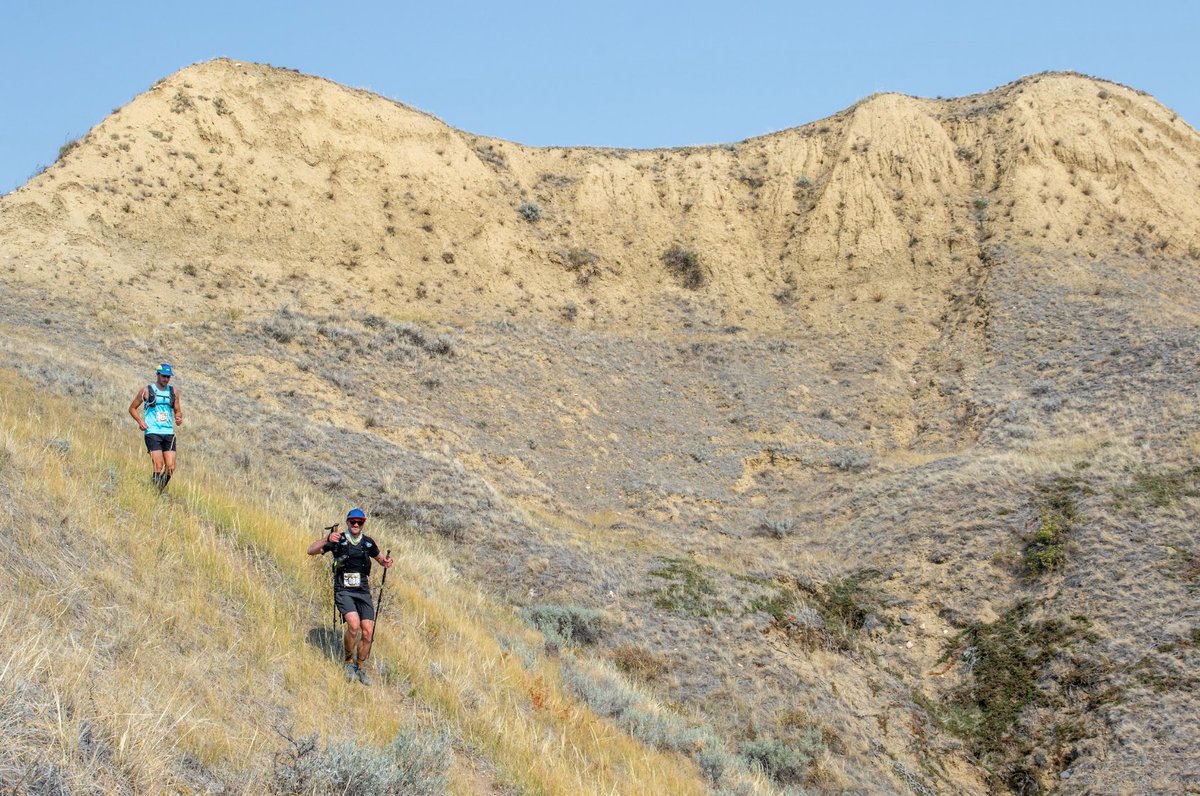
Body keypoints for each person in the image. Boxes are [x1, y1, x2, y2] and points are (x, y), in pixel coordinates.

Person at [307, 508, 393, 684]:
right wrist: (327, 539)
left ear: (363, 523)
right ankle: (347, 662)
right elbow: (311, 550)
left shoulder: (368, 543)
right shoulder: (339, 540)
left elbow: (380, 559)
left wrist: (386, 562)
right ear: (347, 522)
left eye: (359, 522)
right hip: (344, 590)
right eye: (352, 521)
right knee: (354, 626)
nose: (355, 524)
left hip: (362, 590)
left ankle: (359, 667)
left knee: (368, 632)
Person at [128, 363, 183, 492]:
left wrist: (179, 417)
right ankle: (154, 493)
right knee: (158, 465)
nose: (166, 379)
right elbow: (132, 408)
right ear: (157, 375)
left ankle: (158, 490)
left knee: (170, 467)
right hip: (152, 432)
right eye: (164, 376)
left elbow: (178, 410)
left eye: (168, 377)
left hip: (168, 432)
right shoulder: (146, 390)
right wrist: (140, 421)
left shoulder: (173, 392)